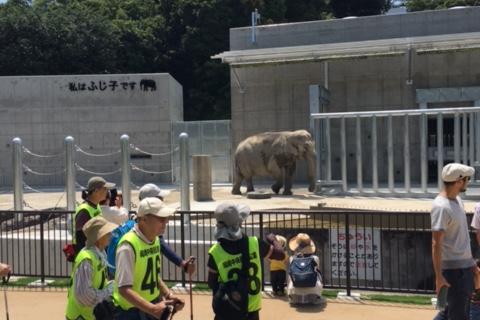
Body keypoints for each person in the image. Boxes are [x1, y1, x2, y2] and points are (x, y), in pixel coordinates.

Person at [207, 203, 285, 320]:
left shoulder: (215, 252)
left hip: (228, 309)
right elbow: (280, 255)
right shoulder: (254, 243)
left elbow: (211, 284)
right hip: (251, 310)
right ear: (239, 223)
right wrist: (273, 240)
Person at [113, 197, 185, 319]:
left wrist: (168, 295)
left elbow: (153, 276)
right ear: (144, 219)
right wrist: (152, 309)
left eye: (166, 218)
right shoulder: (128, 245)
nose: (166, 221)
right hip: (130, 313)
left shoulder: (155, 239)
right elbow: (124, 289)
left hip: (150, 308)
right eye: (161, 218)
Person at [106, 183, 195, 277]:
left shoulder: (136, 223)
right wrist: (182, 263)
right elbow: (163, 247)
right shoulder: (147, 230)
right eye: (160, 198)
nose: (163, 201)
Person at [432, 163, 476, 320]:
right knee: (459, 315)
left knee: (447, 312)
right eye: (467, 179)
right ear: (458, 181)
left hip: (463, 269)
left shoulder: (457, 200)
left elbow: (461, 237)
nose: (468, 182)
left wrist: (471, 264)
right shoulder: (441, 207)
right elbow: (436, 244)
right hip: (454, 273)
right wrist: (439, 277)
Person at [66, 216, 117, 320]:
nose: (110, 235)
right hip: (80, 316)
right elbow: (84, 295)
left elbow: (98, 282)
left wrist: (111, 285)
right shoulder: (86, 259)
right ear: (98, 237)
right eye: (107, 233)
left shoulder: (100, 253)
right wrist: (107, 292)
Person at [74, 176, 115, 253]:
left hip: (96, 252)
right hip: (87, 256)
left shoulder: (97, 206)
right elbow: (80, 238)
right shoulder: (84, 211)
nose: (107, 191)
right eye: (105, 189)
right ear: (96, 191)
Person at [287, 233, 323, 305]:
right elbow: (317, 270)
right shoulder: (315, 258)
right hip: (314, 290)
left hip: (294, 290)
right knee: (318, 273)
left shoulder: (292, 259)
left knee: (290, 275)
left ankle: (292, 294)